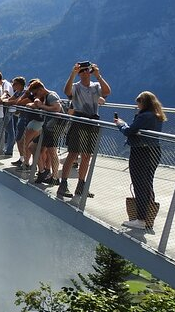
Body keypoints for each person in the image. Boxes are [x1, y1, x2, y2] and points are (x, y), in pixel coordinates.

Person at [57, 61, 112, 198]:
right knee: (73, 153)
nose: (84, 72)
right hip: (79, 118)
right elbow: (67, 92)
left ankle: (81, 186)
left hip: (92, 120)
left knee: (87, 155)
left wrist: (98, 76)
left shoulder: (96, 85)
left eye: (87, 70)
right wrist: (72, 74)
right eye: (81, 71)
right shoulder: (76, 86)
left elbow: (107, 92)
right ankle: (63, 185)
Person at [116, 91, 166, 229]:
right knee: (148, 183)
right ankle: (148, 217)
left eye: (138, 102)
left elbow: (129, 131)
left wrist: (120, 124)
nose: (137, 105)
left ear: (144, 103)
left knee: (139, 184)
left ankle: (141, 219)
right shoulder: (157, 115)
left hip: (141, 151)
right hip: (155, 150)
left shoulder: (144, 116)